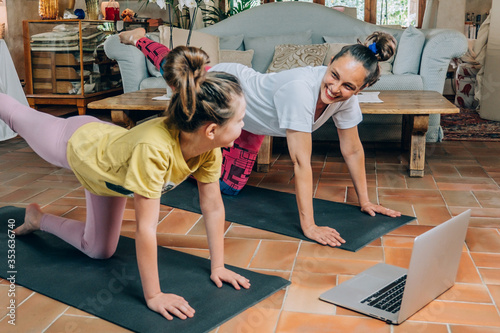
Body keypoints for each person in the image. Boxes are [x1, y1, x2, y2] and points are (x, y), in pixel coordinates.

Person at [0, 45, 250, 321]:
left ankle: (37, 219)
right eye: (240, 120)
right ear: (212, 130)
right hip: (73, 142)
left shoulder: (208, 150)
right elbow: (145, 228)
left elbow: (213, 207)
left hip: (109, 174)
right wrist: (154, 295)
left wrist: (219, 266)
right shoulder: (154, 149)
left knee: (99, 250)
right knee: (14, 114)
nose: (243, 126)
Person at [120, 29, 402, 248]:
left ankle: (197, 165)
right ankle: (142, 40)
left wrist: (365, 201)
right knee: (179, 72)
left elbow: (352, 149)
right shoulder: (300, 90)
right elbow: (301, 163)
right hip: (231, 88)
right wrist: (310, 226)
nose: (335, 88)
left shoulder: (346, 98)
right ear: (329, 63)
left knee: (229, 189)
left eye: (348, 86)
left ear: (362, 87)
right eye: (333, 75)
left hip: (252, 127)